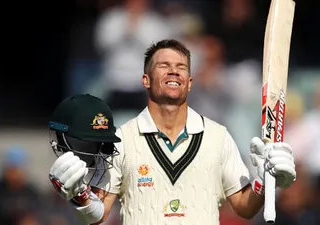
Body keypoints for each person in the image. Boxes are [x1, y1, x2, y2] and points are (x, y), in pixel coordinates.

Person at [48, 39, 296, 225]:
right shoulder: (122, 140)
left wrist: (264, 181)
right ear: (146, 79)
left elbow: (245, 207)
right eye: (164, 65)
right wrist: (79, 195)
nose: (173, 71)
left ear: (189, 81)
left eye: (181, 67)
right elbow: (99, 214)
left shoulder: (218, 137)